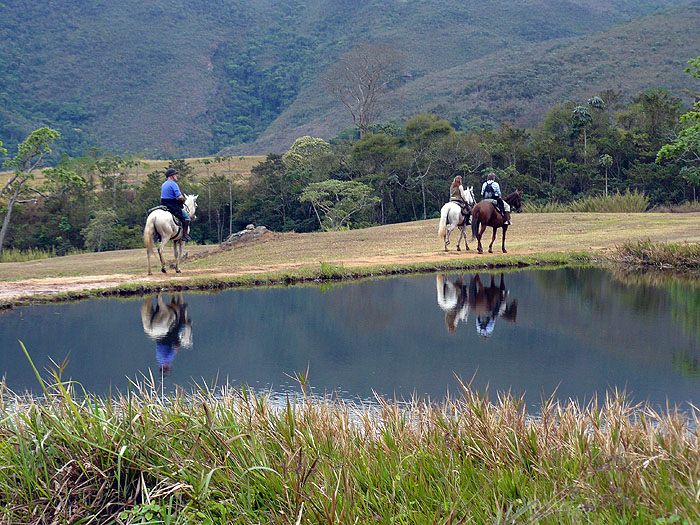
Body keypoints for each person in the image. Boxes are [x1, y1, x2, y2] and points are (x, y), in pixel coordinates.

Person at [160, 168, 191, 242]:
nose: (177, 176)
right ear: (171, 176)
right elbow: (179, 197)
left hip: (163, 204)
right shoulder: (174, 184)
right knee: (186, 218)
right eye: (175, 175)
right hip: (172, 205)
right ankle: (184, 235)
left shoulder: (163, 184)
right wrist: (183, 200)